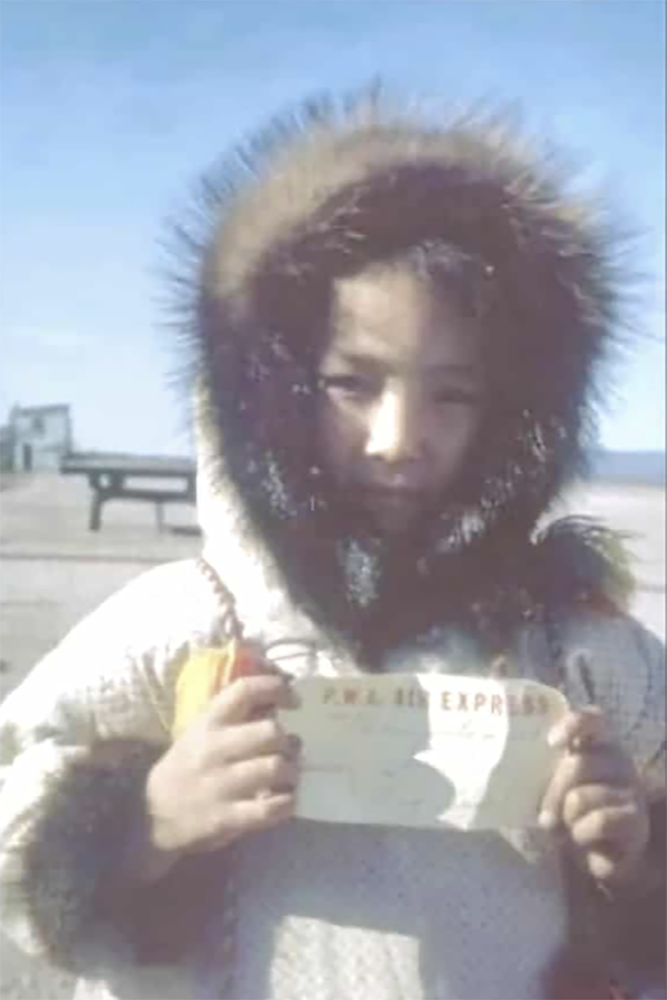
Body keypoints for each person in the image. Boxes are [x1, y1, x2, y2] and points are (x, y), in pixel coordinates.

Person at [0, 90, 664, 1000]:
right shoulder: (186, 623)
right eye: (353, 383)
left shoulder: (573, 648)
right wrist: (144, 822)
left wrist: (635, 856)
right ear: (270, 389)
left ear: (517, 413)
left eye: (452, 394)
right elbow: (19, 793)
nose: (398, 438)